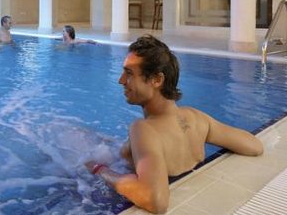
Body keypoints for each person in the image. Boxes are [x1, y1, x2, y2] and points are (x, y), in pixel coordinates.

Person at [84, 35, 263, 214]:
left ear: (157, 80)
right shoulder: (196, 118)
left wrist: (100, 170)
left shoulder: (143, 129)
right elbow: (254, 146)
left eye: (129, 73)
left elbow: (156, 201)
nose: (121, 80)